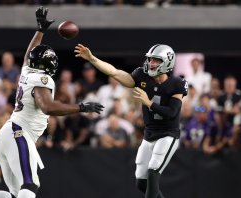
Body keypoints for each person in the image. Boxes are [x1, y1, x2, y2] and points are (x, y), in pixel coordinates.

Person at [0, 7, 104, 198]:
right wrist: (81, 107)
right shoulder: (42, 79)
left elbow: (28, 55)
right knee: (30, 185)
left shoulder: (27, 71)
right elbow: (47, 107)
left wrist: (40, 30)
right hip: (18, 134)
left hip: (7, 135)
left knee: (17, 194)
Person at [74, 43, 188, 198]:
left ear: (167, 62)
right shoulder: (142, 75)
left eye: (156, 60)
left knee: (153, 172)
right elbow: (114, 72)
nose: (151, 63)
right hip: (149, 134)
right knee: (141, 182)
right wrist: (93, 59)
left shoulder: (177, 84)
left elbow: (172, 113)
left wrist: (148, 103)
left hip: (168, 134)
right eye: (150, 60)